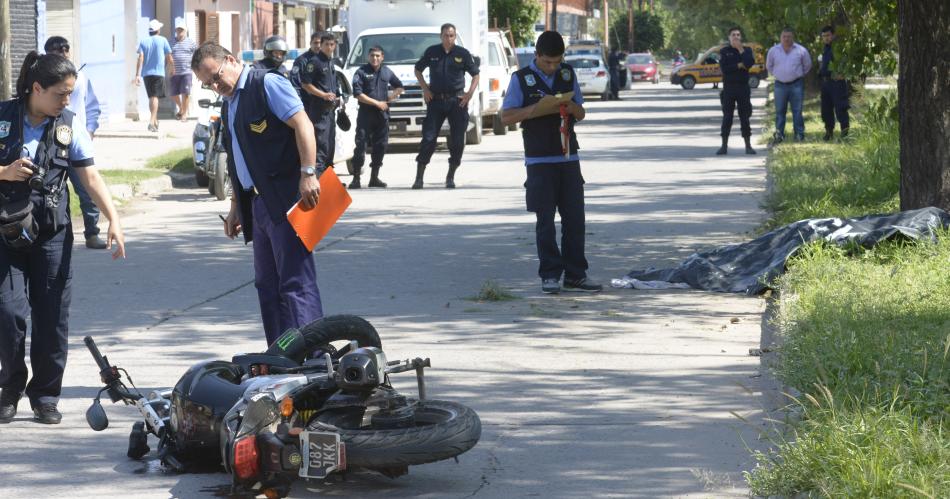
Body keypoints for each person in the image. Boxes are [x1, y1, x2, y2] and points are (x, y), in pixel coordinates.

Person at [0, 52, 126, 425]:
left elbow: (90, 178)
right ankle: (9, 390)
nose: (67, 101)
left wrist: (114, 218)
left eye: (70, 94)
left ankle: (45, 395)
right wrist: (4, 171)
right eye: (61, 94)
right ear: (37, 89)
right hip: (6, 230)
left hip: (51, 233)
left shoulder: (70, 126)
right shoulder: (3, 117)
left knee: (52, 316)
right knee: (8, 312)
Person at [191, 42, 323, 346]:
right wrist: (237, 205)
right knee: (267, 285)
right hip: (258, 203)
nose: (215, 86)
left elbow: (302, 123)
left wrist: (308, 172)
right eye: (207, 84)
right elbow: (240, 156)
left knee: (296, 283)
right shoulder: (230, 103)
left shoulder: (267, 83)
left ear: (231, 59)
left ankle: (315, 358)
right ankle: (281, 357)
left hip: (288, 198)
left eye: (215, 77)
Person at [499, 31, 602, 295]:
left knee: (575, 220)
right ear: (536, 56)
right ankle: (550, 275)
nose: (553, 67)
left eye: (557, 62)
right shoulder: (521, 79)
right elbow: (505, 117)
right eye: (547, 62)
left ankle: (576, 274)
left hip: (568, 157)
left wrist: (568, 106)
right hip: (539, 159)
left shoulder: (567, 74)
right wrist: (535, 110)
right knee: (545, 220)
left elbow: (581, 112)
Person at [44, 36, 107, 250]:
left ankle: (92, 232)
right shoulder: (43, 79)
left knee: (87, 189)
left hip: (74, 143)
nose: (62, 52)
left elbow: (92, 106)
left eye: (65, 49)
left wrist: (89, 131)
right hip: (49, 144)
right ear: (47, 53)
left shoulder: (79, 78)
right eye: (56, 49)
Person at [412, 23, 480, 189]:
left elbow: (476, 74)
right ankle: (419, 177)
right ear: (440, 36)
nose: (448, 38)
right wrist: (425, 89)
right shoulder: (432, 52)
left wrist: (469, 94)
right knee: (428, 139)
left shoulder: (462, 53)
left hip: (457, 101)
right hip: (435, 101)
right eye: (445, 35)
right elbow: (418, 69)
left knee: (457, 141)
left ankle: (450, 176)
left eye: (451, 35)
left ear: (455, 37)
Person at [349, 46, 404, 189]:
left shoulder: (387, 71)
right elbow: (358, 94)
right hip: (366, 115)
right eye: (372, 55)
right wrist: (377, 103)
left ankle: (374, 177)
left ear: (382, 57)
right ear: (368, 57)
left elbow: (399, 86)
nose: (375, 58)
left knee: (381, 146)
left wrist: (391, 96)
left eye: (378, 56)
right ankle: (356, 178)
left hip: (382, 116)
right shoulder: (361, 72)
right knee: (360, 146)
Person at [299, 33, 340, 171]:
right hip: (319, 112)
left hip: (330, 111)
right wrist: (323, 95)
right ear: (321, 45)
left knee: (329, 149)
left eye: (332, 44)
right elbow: (305, 84)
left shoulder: (331, 62)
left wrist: (338, 98)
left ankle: (329, 184)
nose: (329, 47)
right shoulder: (315, 62)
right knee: (321, 150)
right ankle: (319, 184)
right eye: (326, 44)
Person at [766, 27, 812, 143]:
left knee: (797, 111)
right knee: (780, 111)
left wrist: (797, 75)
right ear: (780, 38)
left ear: (793, 37)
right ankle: (779, 135)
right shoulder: (773, 51)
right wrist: (779, 74)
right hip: (780, 85)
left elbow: (807, 66)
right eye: (784, 36)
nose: (786, 39)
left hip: (796, 84)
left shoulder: (801, 50)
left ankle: (799, 135)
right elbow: (769, 66)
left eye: (789, 36)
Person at [717, 26, 756, 155]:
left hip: (743, 88)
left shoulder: (747, 50)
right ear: (729, 37)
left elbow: (749, 63)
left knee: (745, 116)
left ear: (741, 37)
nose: (736, 37)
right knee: (727, 116)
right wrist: (739, 65)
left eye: (738, 35)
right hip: (729, 88)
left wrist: (740, 50)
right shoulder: (724, 51)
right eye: (733, 35)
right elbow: (725, 68)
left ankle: (748, 145)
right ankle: (724, 146)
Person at [134, 19, 173, 132]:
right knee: (155, 97)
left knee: (152, 97)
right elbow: (169, 57)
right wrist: (172, 68)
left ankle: (155, 121)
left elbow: (140, 57)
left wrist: (137, 75)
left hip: (146, 74)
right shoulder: (163, 40)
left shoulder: (143, 41)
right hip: (158, 73)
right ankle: (151, 121)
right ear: (158, 30)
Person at [818, 25, 850, 140]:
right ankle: (829, 132)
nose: (826, 38)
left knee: (841, 108)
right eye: (823, 36)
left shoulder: (839, 48)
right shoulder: (825, 48)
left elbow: (846, 63)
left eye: (828, 35)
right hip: (826, 83)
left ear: (833, 35)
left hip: (837, 83)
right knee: (826, 109)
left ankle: (845, 134)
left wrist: (843, 74)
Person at [169, 18, 197, 122]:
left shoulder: (191, 42)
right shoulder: (171, 42)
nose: (179, 32)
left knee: (185, 93)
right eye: (178, 30)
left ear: (185, 31)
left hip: (187, 72)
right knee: (173, 94)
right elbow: (168, 55)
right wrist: (169, 67)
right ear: (175, 31)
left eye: (181, 30)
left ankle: (184, 114)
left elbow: (196, 56)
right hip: (174, 72)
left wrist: (196, 69)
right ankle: (181, 108)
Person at [290, 33, 322, 121]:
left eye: (320, 43)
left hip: (323, 107)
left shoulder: (326, 60)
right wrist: (299, 106)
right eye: (315, 43)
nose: (318, 46)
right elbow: (295, 84)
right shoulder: (301, 61)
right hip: (307, 106)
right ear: (310, 43)